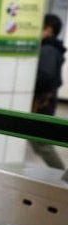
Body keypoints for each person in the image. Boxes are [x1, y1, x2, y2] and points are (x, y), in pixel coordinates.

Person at [30, 13, 65, 169]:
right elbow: (58, 81)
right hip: (46, 102)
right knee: (39, 142)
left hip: (42, 104)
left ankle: (64, 178)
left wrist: (29, 86)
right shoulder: (53, 49)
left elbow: (46, 78)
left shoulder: (48, 50)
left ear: (49, 29)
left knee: (42, 143)